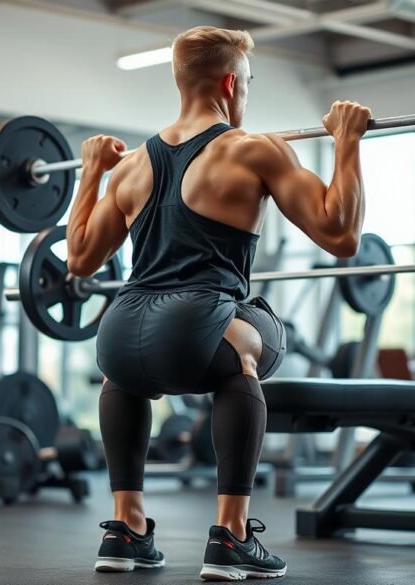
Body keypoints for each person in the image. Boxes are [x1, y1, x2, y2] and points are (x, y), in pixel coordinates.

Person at [65, 25, 369, 581]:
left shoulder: (131, 165)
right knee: (260, 341)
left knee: (125, 377)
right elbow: (340, 233)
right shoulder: (252, 150)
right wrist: (346, 140)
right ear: (231, 83)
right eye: (248, 82)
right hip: (192, 330)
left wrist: (89, 176)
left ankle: (125, 528)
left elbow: (80, 259)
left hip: (118, 332)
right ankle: (230, 537)